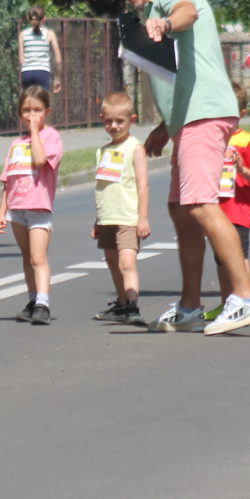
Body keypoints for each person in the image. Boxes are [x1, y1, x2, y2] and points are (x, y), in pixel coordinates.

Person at [109, 0, 250, 336]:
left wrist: (164, 22)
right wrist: (167, 126)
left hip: (204, 115)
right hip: (190, 118)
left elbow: (186, 12)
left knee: (199, 203)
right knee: (182, 209)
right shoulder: (157, 1)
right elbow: (190, 70)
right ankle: (191, 305)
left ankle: (245, 298)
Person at [0, 84, 63, 325]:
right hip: (17, 208)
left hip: (38, 207)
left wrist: (35, 132)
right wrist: (2, 211)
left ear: (46, 111)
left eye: (37, 110)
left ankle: (43, 304)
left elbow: (39, 159)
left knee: (38, 257)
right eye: (26, 110)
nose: (31, 115)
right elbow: (8, 179)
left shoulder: (51, 137)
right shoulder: (16, 143)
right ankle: (33, 300)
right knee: (26, 258)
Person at [90, 91, 151, 326]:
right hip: (107, 218)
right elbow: (103, 187)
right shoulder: (103, 151)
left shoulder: (135, 148)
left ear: (132, 120)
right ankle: (122, 303)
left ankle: (133, 308)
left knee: (127, 263)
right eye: (108, 121)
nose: (113, 126)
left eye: (120, 121)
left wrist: (143, 217)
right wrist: (98, 219)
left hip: (127, 217)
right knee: (112, 262)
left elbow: (143, 185)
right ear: (102, 118)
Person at [205, 81, 250, 321]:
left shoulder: (246, 141)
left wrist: (242, 170)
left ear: (241, 114)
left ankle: (245, 300)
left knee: (239, 256)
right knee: (220, 258)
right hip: (216, 210)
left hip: (237, 210)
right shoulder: (212, 139)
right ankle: (226, 303)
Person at [18, 6, 63, 93]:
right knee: (43, 104)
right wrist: (57, 79)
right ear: (44, 18)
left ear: (28, 18)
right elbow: (58, 60)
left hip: (27, 73)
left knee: (28, 104)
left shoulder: (23, 34)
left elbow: (21, 61)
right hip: (42, 73)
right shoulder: (50, 34)